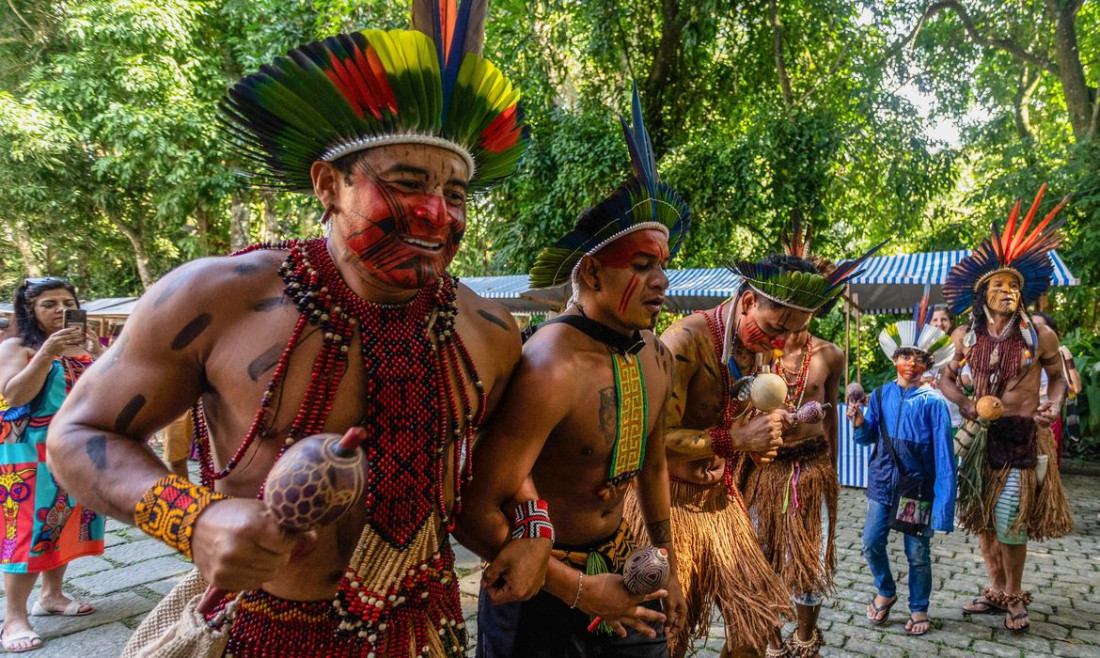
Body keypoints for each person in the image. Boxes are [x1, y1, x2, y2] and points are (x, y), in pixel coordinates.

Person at [47, 3, 529, 656]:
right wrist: (197, 520)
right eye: (408, 183)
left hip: (424, 628)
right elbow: (77, 435)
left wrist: (537, 533)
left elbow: (503, 464)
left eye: (458, 195)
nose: (437, 214)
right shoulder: (217, 298)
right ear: (328, 184)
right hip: (263, 630)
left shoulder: (490, 330)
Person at [460, 83, 689, 657]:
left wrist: (671, 563)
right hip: (536, 586)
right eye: (641, 265)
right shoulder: (548, 366)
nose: (660, 280)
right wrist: (579, 589)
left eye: (662, 265)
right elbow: (478, 508)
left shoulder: (657, 356)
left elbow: (654, 466)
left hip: (622, 567)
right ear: (590, 275)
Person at [652, 240, 880, 658]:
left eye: (793, 332)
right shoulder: (686, 340)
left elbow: (734, 417)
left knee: (756, 627)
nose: (781, 343)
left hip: (723, 502)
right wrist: (736, 440)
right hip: (670, 505)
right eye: (777, 329)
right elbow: (653, 440)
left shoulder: (752, 345)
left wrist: (753, 444)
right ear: (750, 300)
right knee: (671, 634)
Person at [940, 185, 1074, 634]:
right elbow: (944, 379)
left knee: (1011, 521)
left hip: (1021, 438)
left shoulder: (1040, 334)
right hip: (980, 439)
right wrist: (966, 405)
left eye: (1015, 286)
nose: (1008, 291)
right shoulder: (964, 337)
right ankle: (994, 589)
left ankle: (1015, 596)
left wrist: (1052, 405)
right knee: (981, 517)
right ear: (982, 294)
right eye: (999, 285)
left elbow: (1058, 379)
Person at [737, 224, 851, 658]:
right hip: (764, 467)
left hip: (811, 467)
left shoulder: (829, 355)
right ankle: (764, 633)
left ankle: (804, 639)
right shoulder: (756, 352)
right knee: (761, 551)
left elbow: (832, 413)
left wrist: (833, 469)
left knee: (806, 556)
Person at [0, 277, 105, 653]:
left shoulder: (81, 349)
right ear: (29, 311)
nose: (61, 309)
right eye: (49, 304)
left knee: (65, 521)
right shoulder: (18, 346)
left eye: (67, 301)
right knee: (27, 531)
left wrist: (100, 355)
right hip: (29, 455)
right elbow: (12, 395)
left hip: (77, 450)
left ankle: (52, 595)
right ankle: (14, 617)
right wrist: (45, 354)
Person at [848, 293, 956, 637]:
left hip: (917, 489)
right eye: (905, 355)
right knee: (870, 542)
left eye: (919, 357)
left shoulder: (934, 403)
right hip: (881, 483)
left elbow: (944, 458)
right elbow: (866, 440)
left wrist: (943, 508)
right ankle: (886, 589)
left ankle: (919, 607)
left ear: (929, 364)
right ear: (895, 357)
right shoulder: (880, 395)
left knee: (917, 552)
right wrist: (859, 421)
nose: (911, 362)